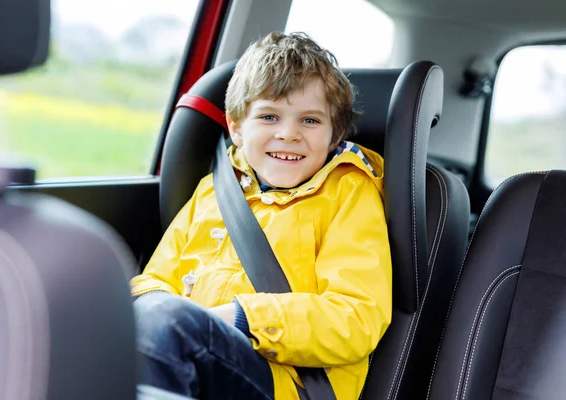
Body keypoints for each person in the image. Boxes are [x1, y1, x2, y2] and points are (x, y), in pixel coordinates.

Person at [130, 31, 392, 400]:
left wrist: (241, 318)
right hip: (188, 347)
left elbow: (355, 318)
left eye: (310, 121)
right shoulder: (215, 189)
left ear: (335, 136)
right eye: (269, 116)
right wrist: (161, 313)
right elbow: (152, 280)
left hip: (287, 381)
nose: (289, 134)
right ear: (236, 128)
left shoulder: (349, 193)